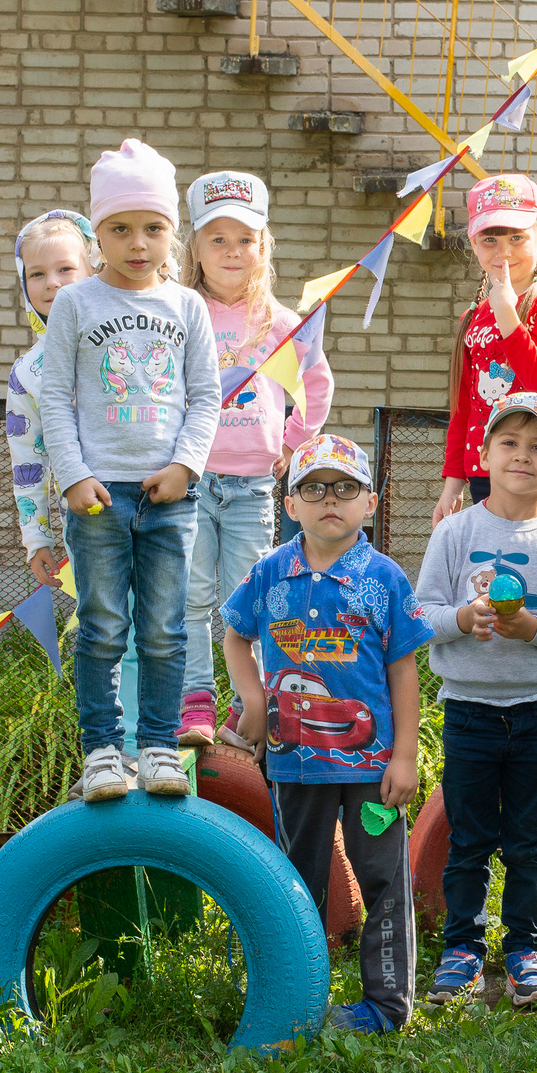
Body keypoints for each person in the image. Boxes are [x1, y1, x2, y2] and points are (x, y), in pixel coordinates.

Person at [33, 139, 221, 802]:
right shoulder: (76, 305)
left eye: (153, 227)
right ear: (97, 233)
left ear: (175, 233)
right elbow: (53, 395)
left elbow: (205, 396)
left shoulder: (188, 307)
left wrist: (185, 464)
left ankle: (161, 747)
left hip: (170, 496)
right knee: (104, 624)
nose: (137, 242)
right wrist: (74, 473)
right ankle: (103, 752)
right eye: (119, 228)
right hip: (96, 497)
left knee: (166, 628)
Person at [223, 434, 430, 1034]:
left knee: (385, 880)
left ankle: (387, 1007)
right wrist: (255, 698)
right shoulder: (269, 575)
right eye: (313, 488)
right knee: (296, 881)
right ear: (290, 505)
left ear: (369, 502)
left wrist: (406, 757)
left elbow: (404, 671)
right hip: (295, 767)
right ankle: (294, 996)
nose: (329, 499)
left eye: (345, 488)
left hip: (373, 770)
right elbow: (235, 634)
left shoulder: (383, 579)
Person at [413, 394, 537, 1008]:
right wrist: (464, 619)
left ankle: (524, 947)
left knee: (529, 840)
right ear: (484, 454)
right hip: (468, 709)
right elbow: (419, 615)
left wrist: (534, 631)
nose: (523, 456)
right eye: (510, 443)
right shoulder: (455, 532)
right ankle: (462, 946)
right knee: (468, 838)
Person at [180, 169, 325, 746]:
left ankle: (259, 704)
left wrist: (294, 441)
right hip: (189, 479)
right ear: (195, 247)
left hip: (250, 486)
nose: (233, 251)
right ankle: (194, 704)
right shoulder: (182, 312)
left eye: (246, 238)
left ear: (263, 246)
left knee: (249, 600)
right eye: (218, 238)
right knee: (190, 597)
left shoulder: (279, 321)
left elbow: (316, 381)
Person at [436, 175, 537, 525]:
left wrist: (507, 313)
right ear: (474, 244)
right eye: (490, 239)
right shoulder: (473, 316)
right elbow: (463, 404)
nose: (504, 251)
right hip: (488, 465)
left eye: (517, 237)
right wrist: (454, 482)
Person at [6, 210, 97, 588]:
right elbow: (27, 461)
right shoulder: (27, 372)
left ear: (92, 270)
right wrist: (37, 538)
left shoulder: (125, 343)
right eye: (37, 274)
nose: (52, 284)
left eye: (65, 269)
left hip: (154, 502)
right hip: (85, 515)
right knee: (103, 619)